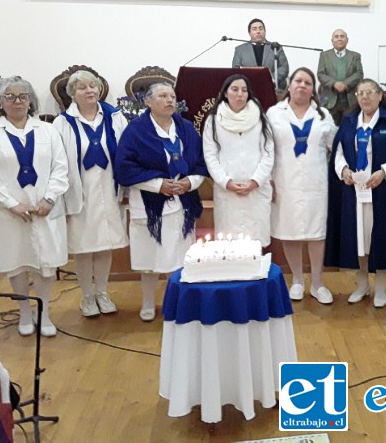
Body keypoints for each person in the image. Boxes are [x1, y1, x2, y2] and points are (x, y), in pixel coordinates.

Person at [325, 79, 386, 308]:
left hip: (382, 192)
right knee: (357, 239)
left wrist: (383, 173)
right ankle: (361, 285)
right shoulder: (349, 122)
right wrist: (344, 170)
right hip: (354, 192)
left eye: (370, 92)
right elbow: (338, 152)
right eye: (360, 93)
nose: (365, 97)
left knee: (379, 238)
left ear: (380, 96)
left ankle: (380, 287)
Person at [114, 83, 208, 321]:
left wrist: (189, 183)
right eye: (163, 96)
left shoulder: (185, 128)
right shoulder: (136, 130)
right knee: (150, 257)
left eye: (173, 96)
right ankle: (147, 302)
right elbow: (125, 168)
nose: (169, 100)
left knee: (180, 256)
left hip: (182, 201)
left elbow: (199, 162)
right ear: (147, 102)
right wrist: (158, 185)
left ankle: (177, 300)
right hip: (150, 205)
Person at [0, 77, 68, 337]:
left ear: (31, 100)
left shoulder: (47, 130)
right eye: (9, 96)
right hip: (9, 212)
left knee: (45, 263)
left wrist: (49, 198)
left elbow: (60, 168)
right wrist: (11, 204)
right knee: (18, 261)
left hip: (44, 208)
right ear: (0, 102)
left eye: (22, 96)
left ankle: (44, 313)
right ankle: (24, 311)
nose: (17, 101)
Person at [53, 70, 128, 317]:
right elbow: (58, 161)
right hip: (80, 191)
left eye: (93, 86)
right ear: (72, 94)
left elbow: (126, 152)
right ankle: (87, 296)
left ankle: (103, 293)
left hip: (108, 187)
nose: (90, 91)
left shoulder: (115, 117)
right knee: (84, 245)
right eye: (83, 87)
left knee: (105, 244)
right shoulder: (62, 123)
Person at [267, 68, 336, 304]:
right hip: (284, 180)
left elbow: (335, 146)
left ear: (313, 88)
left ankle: (317, 283)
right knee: (291, 231)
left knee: (316, 234)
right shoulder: (274, 113)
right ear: (289, 85)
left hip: (316, 182)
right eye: (298, 81)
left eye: (308, 82)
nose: (302, 85)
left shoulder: (323, 114)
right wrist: (269, 179)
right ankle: (296, 280)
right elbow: (267, 148)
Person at [202, 74, 274, 246]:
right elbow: (210, 155)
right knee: (229, 244)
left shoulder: (260, 119)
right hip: (227, 191)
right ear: (225, 93)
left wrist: (256, 181)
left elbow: (268, 153)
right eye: (234, 90)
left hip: (256, 190)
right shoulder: (214, 120)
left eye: (244, 90)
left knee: (256, 243)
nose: (240, 94)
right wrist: (225, 182)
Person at [317, 29, 364, 125]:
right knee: (329, 131)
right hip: (329, 101)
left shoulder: (355, 56)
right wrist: (334, 84)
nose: (339, 39)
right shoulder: (324, 55)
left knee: (349, 131)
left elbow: (359, 74)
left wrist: (345, 84)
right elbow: (321, 74)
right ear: (332, 41)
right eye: (336, 36)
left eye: (342, 36)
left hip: (350, 101)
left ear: (347, 40)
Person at [232, 18, 290, 90]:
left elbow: (284, 67)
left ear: (265, 31)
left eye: (261, 28)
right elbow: (235, 69)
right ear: (249, 33)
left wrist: (271, 78)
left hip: (271, 87)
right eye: (254, 29)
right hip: (248, 88)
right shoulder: (240, 50)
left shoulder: (275, 47)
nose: (258, 31)